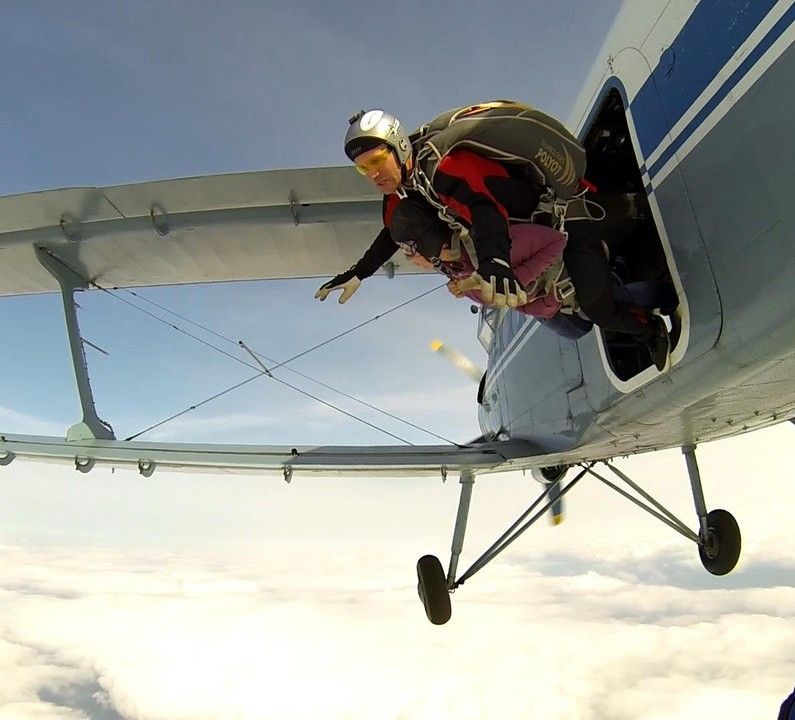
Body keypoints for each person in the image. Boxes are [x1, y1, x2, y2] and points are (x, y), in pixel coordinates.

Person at [314, 106, 672, 371]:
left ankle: (650, 330)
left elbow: (484, 207)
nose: (373, 173)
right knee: (573, 310)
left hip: (567, 218)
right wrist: (359, 272)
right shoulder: (402, 194)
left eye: (377, 160)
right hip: (531, 233)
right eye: (363, 168)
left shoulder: (443, 165)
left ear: (399, 148)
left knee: (597, 308)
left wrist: (494, 262)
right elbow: (391, 233)